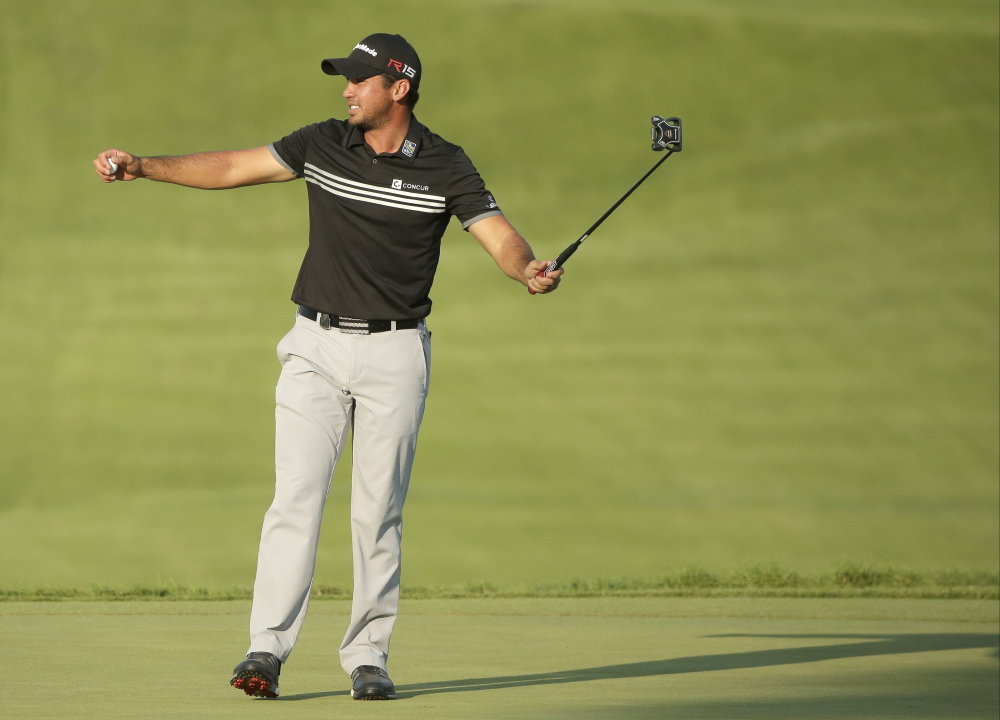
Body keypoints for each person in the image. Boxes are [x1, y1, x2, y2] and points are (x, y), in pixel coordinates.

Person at [93, 32, 562, 701]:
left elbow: (496, 233)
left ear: (397, 90)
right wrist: (143, 165)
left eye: (358, 81)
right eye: (345, 79)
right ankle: (266, 649)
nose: (346, 89)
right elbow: (231, 167)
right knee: (295, 500)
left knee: (378, 513)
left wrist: (527, 269)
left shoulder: (445, 166)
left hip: (397, 352)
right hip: (314, 344)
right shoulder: (323, 143)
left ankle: (368, 657)